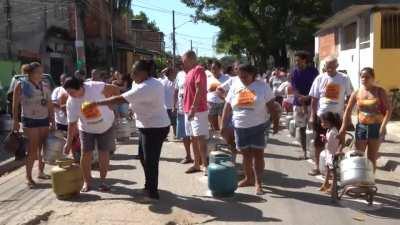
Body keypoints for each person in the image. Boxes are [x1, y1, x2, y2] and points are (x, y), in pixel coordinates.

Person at [88, 60, 170, 200]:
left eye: (135, 72)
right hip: (146, 125)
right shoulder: (143, 83)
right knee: (144, 158)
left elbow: (120, 99)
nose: (132, 75)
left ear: (145, 73)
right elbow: (133, 96)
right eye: (132, 72)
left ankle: (153, 193)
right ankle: (149, 186)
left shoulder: (148, 86)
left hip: (155, 127)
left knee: (150, 160)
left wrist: (96, 103)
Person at [222, 64, 279, 195]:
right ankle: (248, 178)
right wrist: (223, 125)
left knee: (258, 154)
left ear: (253, 74)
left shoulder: (263, 86)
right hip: (239, 127)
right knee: (245, 154)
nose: (242, 79)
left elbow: (272, 107)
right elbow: (227, 106)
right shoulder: (236, 85)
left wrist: (275, 123)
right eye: (240, 76)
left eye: (245, 76)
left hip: (259, 126)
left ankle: (258, 183)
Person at [62, 76, 119, 192]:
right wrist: (68, 143)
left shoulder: (95, 87)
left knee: (104, 153)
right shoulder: (71, 103)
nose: (70, 95)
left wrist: (113, 104)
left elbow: (115, 89)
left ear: (80, 87)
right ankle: (87, 182)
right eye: (68, 92)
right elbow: (72, 124)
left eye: (72, 92)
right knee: (85, 153)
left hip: (106, 126)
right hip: (86, 129)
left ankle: (103, 182)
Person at [339, 68, 391, 172]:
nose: (364, 79)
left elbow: (389, 110)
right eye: (362, 77)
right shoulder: (357, 92)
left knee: (372, 157)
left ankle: (370, 179)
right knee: (359, 155)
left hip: (376, 127)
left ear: (373, 78)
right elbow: (348, 110)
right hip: (362, 127)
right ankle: (360, 178)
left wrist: (383, 127)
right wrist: (343, 127)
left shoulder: (380, 91)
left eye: (367, 77)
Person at [12, 62, 54, 188]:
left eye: (41, 72)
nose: (41, 75)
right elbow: (15, 105)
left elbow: (49, 103)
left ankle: (41, 172)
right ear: (30, 73)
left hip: (44, 119)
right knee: (32, 151)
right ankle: (28, 177)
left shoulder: (45, 85)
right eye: (38, 72)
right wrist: (15, 120)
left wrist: (53, 119)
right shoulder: (21, 85)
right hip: (29, 120)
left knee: (43, 148)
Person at [309, 56, 352, 176]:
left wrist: (347, 116)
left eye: (332, 67)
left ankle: (335, 167)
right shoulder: (319, 78)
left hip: (337, 118)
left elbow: (350, 98)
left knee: (337, 143)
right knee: (319, 142)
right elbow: (314, 99)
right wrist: (312, 116)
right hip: (322, 117)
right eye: (327, 67)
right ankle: (317, 166)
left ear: (337, 66)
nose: (329, 69)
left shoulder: (344, 78)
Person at [182, 51, 209, 175]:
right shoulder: (188, 73)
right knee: (193, 138)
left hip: (198, 111)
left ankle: (206, 166)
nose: (183, 63)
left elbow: (200, 90)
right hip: (188, 111)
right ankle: (196, 164)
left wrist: (193, 107)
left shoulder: (199, 70)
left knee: (200, 138)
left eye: (184, 60)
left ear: (191, 59)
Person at [291, 51, 319, 159]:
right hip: (298, 104)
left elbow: (316, 87)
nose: (296, 62)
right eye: (295, 60)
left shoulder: (313, 71)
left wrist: (308, 97)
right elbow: (294, 89)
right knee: (301, 128)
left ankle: (316, 150)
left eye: (298, 60)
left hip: (312, 102)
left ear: (304, 60)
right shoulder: (294, 72)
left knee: (315, 128)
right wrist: (302, 101)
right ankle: (304, 152)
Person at [174, 68, 193, 164]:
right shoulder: (180, 74)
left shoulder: (194, 73)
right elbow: (176, 90)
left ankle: (198, 159)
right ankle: (188, 156)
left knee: (194, 135)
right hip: (181, 108)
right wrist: (174, 105)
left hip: (191, 110)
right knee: (184, 135)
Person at [319, 112, 342, 192]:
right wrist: (325, 139)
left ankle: (333, 187)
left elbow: (333, 143)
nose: (322, 124)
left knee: (333, 172)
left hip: (333, 154)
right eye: (322, 122)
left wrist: (325, 140)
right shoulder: (329, 130)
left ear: (330, 122)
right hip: (329, 153)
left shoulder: (333, 132)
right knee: (328, 169)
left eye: (324, 122)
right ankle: (326, 183)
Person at [207, 60, 230, 133]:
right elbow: (205, 91)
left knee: (222, 126)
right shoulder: (208, 78)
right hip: (211, 103)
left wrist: (224, 96)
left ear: (220, 69)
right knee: (214, 126)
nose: (213, 70)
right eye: (212, 68)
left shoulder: (227, 78)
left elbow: (230, 91)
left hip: (222, 103)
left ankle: (223, 140)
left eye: (215, 68)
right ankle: (219, 140)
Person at [160, 67, 177, 138]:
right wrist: (166, 69)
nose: (175, 74)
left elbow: (161, 73)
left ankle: (175, 135)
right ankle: (167, 135)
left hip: (172, 105)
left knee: (173, 122)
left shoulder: (175, 81)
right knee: (167, 122)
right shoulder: (164, 81)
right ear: (170, 74)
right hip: (167, 106)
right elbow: (161, 73)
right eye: (173, 73)